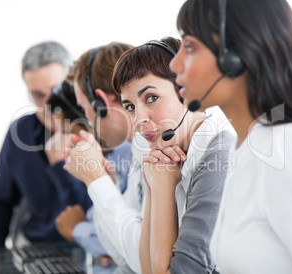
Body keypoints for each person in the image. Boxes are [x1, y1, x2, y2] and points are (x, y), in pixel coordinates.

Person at [170, 0, 292, 273]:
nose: (175, 63)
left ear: (236, 58)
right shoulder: (244, 148)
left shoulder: (289, 147)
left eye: (191, 47)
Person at [110, 37, 235, 273]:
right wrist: (153, 184)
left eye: (151, 98)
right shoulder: (170, 156)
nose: (139, 119)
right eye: (130, 107)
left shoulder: (219, 155)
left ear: (186, 93)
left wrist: (163, 187)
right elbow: (146, 268)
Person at [0, 41, 92, 250]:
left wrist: (60, 165)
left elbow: (89, 215)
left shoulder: (99, 131)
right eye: (38, 95)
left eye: (56, 90)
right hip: (37, 249)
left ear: (73, 82)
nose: (48, 105)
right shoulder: (21, 131)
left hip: (89, 251)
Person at [55, 41, 150, 273]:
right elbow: (120, 254)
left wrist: (96, 180)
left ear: (101, 104)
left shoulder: (156, 151)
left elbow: (145, 261)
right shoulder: (139, 149)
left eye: (84, 107)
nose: (87, 118)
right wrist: (104, 185)